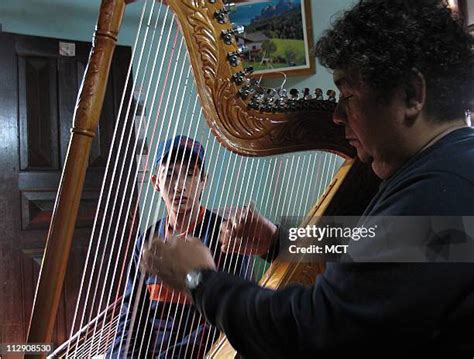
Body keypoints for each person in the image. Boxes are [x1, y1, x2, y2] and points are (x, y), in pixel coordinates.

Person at [140, 1, 474, 357]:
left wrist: (198, 278)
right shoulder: (451, 166)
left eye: (347, 95)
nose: (336, 115)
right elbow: (390, 242)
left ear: (411, 95)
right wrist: (279, 241)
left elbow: (309, 332)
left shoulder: (438, 193)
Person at [107, 135, 250, 358]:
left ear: (204, 181)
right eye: (170, 175)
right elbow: (131, 317)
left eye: (190, 174)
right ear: (156, 182)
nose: (180, 185)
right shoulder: (147, 241)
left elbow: (225, 323)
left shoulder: (228, 237)